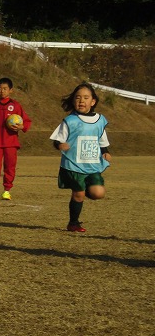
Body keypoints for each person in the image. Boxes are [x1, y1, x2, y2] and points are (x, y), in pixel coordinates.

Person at [50, 83, 111, 233]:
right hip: (74, 165)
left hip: (92, 165)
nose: (81, 100)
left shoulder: (99, 120)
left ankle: (86, 190)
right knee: (78, 194)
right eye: (77, 97)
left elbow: (101, 138)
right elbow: (57, 139)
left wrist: (105, 151)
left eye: (85, 97)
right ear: (73, 101)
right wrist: (59, 145)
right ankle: (73, 223)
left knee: (98, 193)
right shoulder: (70, 121)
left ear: (93, 101)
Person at [0, 77, 31, 200]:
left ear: (11, 90)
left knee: (10, 167)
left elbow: (26, 121)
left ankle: (7, 190)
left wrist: (22, 126)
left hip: (11, 142)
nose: (2, 91)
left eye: (5, 89)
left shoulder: (15, 105)